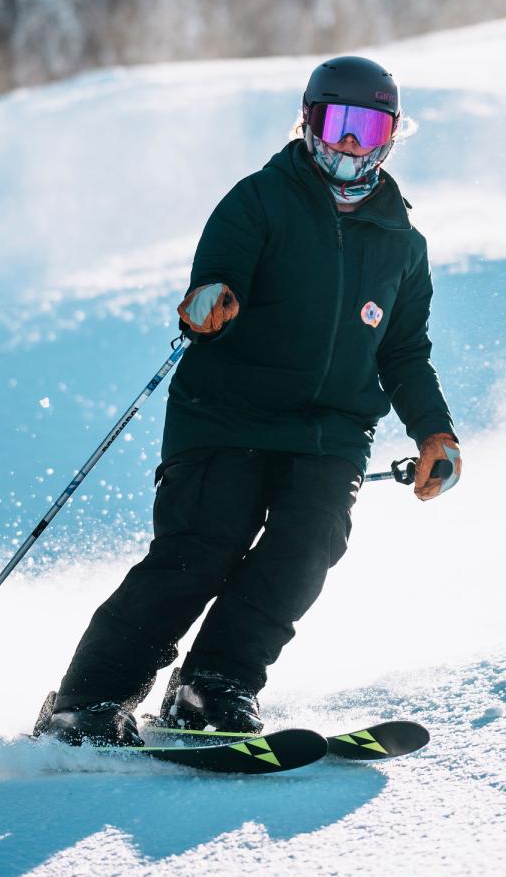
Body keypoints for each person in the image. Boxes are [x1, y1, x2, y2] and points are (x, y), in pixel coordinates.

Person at [37, 55, 461, 744]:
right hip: (227, 415)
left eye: (369, 126)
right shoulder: (261, 200)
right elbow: (217, 276)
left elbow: (404, 351)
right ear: (309, 121)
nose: (351, 142)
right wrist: (211, 300)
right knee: (203, 548)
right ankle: (87, 702)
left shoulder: (402, 244)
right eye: (338, 122)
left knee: (308, 545)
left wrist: (435, 433)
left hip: (331, 433)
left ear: (391, 134)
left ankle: (213, 690)